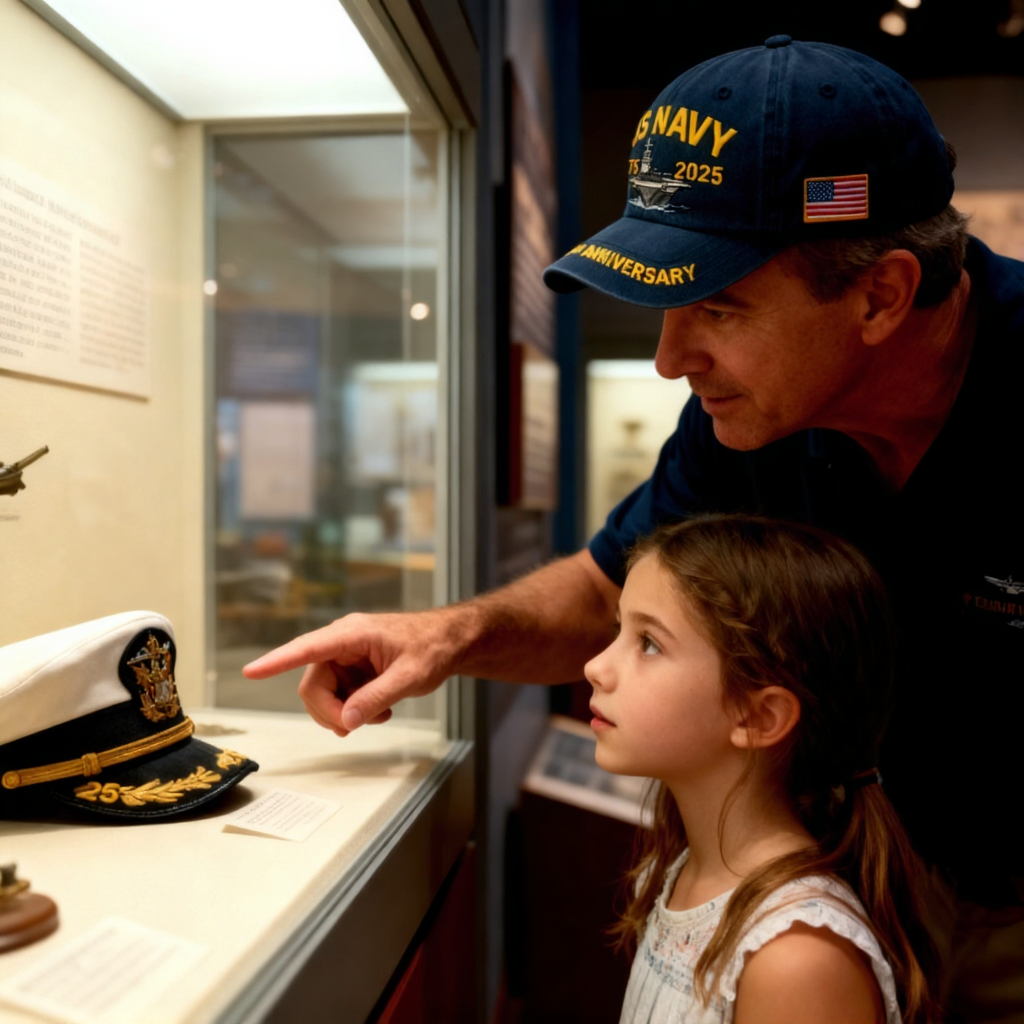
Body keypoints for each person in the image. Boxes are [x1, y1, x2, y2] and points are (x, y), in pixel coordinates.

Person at [245, 38, 1024, 1018]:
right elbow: (611, 587)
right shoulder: (746, 416)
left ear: (880, 294)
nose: (667, 360)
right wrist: (444, 636)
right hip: (843, 875)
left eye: (717, 307)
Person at [586, 514, 937, 1024]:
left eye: (649, 644)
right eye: (621, 629)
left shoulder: (795, 958)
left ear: (759, 716)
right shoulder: (682, 866)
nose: (595, 666)